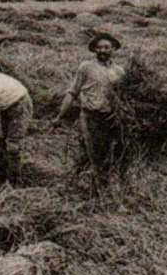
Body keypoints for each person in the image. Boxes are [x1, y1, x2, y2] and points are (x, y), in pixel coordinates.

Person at [54, 32, 126, 183]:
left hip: (112, 118)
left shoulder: (119, 71)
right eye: (99, 47)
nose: (103, 50)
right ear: (94, 50)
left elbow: (124, 97)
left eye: (106, 47)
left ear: (113, 49)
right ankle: (96, 190)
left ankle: (103, 183)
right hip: (91, 117)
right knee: (95, 154)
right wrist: (60, 116)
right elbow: (72, 92)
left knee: (112, 153)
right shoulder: (86, 67)